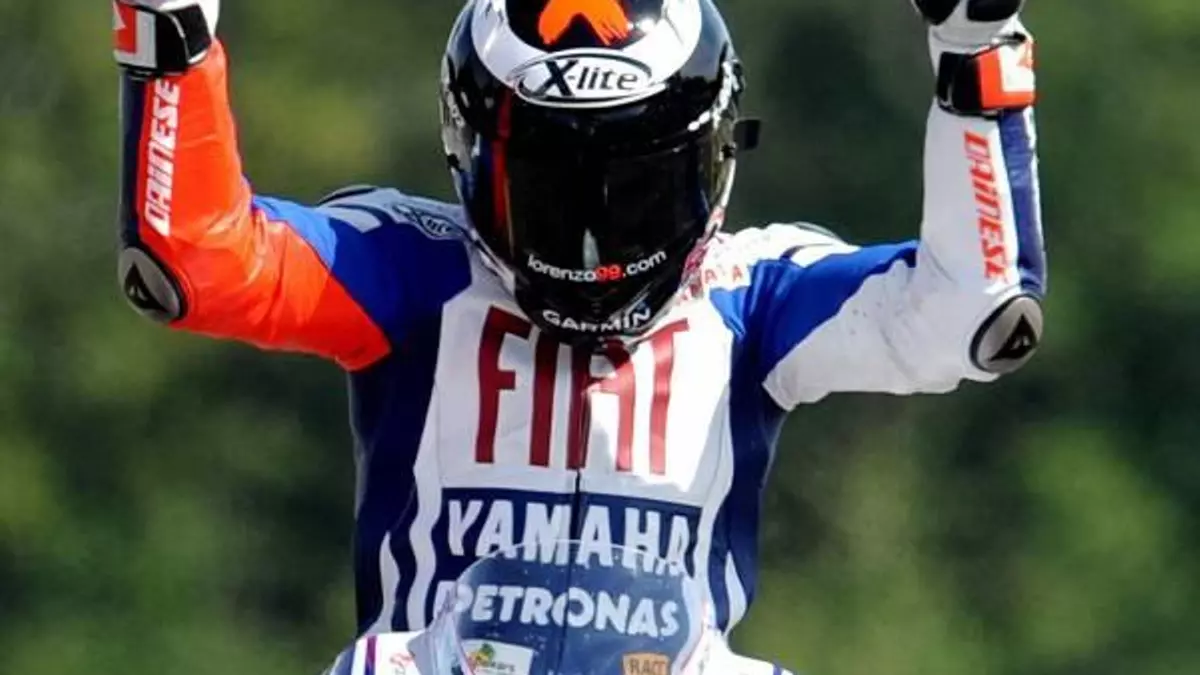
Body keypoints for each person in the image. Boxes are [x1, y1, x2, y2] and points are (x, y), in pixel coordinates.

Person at [113, 0, 1045, 650]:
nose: (596, 237)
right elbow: (197, 261)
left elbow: (971, 311)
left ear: (716, 155)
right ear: (465, 154)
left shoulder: (752, 295)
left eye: (637, 188)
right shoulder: (410, 269)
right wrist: (170, 28)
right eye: (550, 191)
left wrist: (977, 50)